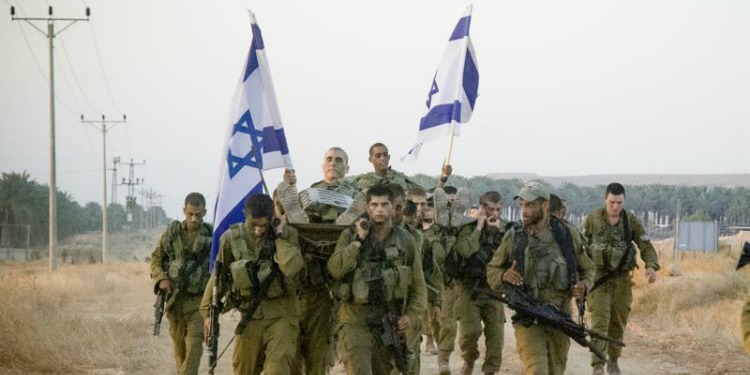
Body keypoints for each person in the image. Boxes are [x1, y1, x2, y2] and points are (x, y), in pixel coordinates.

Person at [487, 182, 595, 375]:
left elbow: (588, 268)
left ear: (544, 206)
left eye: (529, 205)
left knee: (554, 371)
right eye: (522, 205)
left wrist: (584, 286)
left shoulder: (566, 235)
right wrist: (504, 275)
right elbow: (492, 271)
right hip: (528, 320)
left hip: (560, 319)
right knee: (536, 370)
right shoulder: (515, 236)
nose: (524, 210)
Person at [327, 184, 427, 375]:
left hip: (387, 319)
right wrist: (358, 241)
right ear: (366, 207)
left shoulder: (406, 241)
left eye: (384, 204)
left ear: (394, 208)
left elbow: (418, 285)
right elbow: (335, 269)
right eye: (374, 205)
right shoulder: (349, 236)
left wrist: (412, 315)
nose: (379, 209)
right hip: (354, 319)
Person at [200, 193, 304, 374]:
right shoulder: (231, 238)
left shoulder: (288, 234)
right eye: (253, 225)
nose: (258, 230)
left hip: (282, 314)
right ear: (245, 215)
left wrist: (279, 236)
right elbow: (219, 275)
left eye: (263, 225)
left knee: (278, 369)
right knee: (243, 368)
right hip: (250, 314)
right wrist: (208, 311)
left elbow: (291, 267)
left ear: (272, 217)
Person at [582, 182, 660, 375]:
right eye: (611, 202)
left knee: (617, 321)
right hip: (598, 280)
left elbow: (645, 244)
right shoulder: (592, 220)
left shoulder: (630, 221)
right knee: (600, 322)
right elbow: (581, 249)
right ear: (605, 200)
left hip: (622, 280)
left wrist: (650, 266)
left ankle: (613, 360)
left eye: (619, 202)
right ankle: (598, 365)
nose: (615, 207)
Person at [149, 192, 213, 375]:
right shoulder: (172, 234)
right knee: (180, 351)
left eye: (198, 214)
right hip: (175, 301)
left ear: (204, 212)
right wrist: (161, 278)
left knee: (194, 346)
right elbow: (156, 259)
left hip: (199, 302)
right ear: (184, 211)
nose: (194, 218)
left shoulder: (211, 237)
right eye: (190, 214)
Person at [449, 191, 510, 375]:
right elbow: (466, 250)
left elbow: (511, 255)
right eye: (490, 209)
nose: (494, 213)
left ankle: (491, 370)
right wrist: (479, 227)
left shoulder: (506, 230)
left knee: (496, 337)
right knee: (469, 332)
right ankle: (469, 359)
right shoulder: (468, 228)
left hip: (493, 290)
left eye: (498, 209)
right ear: (482, 208)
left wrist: (499, 233)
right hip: (469, 290)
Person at [353, 142, 452, 192]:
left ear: (389, 157)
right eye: (378, 156)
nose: (382, 158)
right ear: (370, 160)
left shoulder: (400, 179)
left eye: (385, 155)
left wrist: (443, 177)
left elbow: (427, 195)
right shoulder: (362, 181)